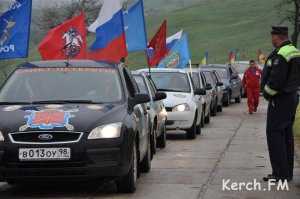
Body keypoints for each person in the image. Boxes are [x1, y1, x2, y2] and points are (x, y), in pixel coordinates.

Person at [261, 26, 300, 182]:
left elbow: (276, 80)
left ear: (278, 37)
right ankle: (287, 172)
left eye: (273, 36)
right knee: (286, 135)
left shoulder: (282, 54)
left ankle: (279, 173)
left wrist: (267, 93)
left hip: (280, 99)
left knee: (275, 135)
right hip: (291, 97)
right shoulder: (295, 51)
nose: (271, 39)